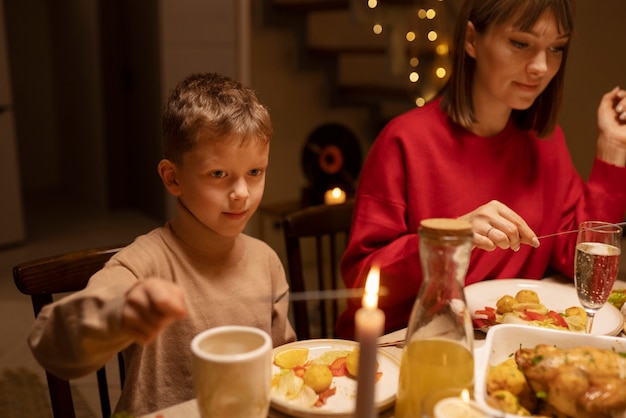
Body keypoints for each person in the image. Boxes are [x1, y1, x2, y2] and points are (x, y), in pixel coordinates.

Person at [336, 0, 626, 339]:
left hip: (502, 347)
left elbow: (580, 261)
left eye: (556, 48)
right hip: (404, 345)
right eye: (520, 43)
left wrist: (614, 149)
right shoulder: (404, 140)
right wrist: (449, 238)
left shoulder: (545, 143)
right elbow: (361, 279)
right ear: (471, 40)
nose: (541, 67)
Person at [27, 72, 296, 415]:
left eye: (255, 172)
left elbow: (283, 366)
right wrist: (115, 313)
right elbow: (48, 344)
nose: (241, 193)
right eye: (218, 174)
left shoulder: (266, 261)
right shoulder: (142, 265)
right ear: (173, 178)